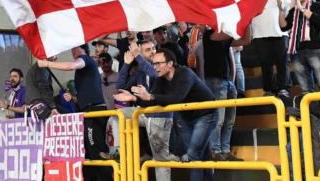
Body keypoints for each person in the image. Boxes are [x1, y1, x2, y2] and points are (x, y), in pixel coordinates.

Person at [114, 49, 217, 181]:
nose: (155, 67)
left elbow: (176, 98)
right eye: (153, 63)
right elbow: (153, 103)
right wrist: (135, 99)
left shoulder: (185, 73)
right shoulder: (160, 79)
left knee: (193, 154)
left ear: (170, 64)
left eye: (158, 63)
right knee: (202, 154)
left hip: (205, 114)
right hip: (185, 116)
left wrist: (150, 96)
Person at [39, 45, 111, 181]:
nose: (72, 51)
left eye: (75, 48)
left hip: (94, 111)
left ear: (83, 49)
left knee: (96, 150)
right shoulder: (83, 70)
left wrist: (47, 63)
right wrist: (73, 97)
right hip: (85, 111)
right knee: (87, 152)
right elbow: (83, 96)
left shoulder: (85, 59)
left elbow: (71, 66)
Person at [202, 26, 250, 161]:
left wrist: (248, 22)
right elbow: (230, 35)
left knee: (229, 120)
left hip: (227, 81)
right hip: (215, 81)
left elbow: (246, 40)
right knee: (219, 119)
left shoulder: (224, 37)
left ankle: (225, 150)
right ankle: (215, 151)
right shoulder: (209, 34)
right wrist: (243, 18)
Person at [252, 0, 292, 97]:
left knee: (282, 62)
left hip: (280, 35)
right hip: (260, 35)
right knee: (265, 63)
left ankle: (283, 88)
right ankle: (269, 89)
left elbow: (291, 11)